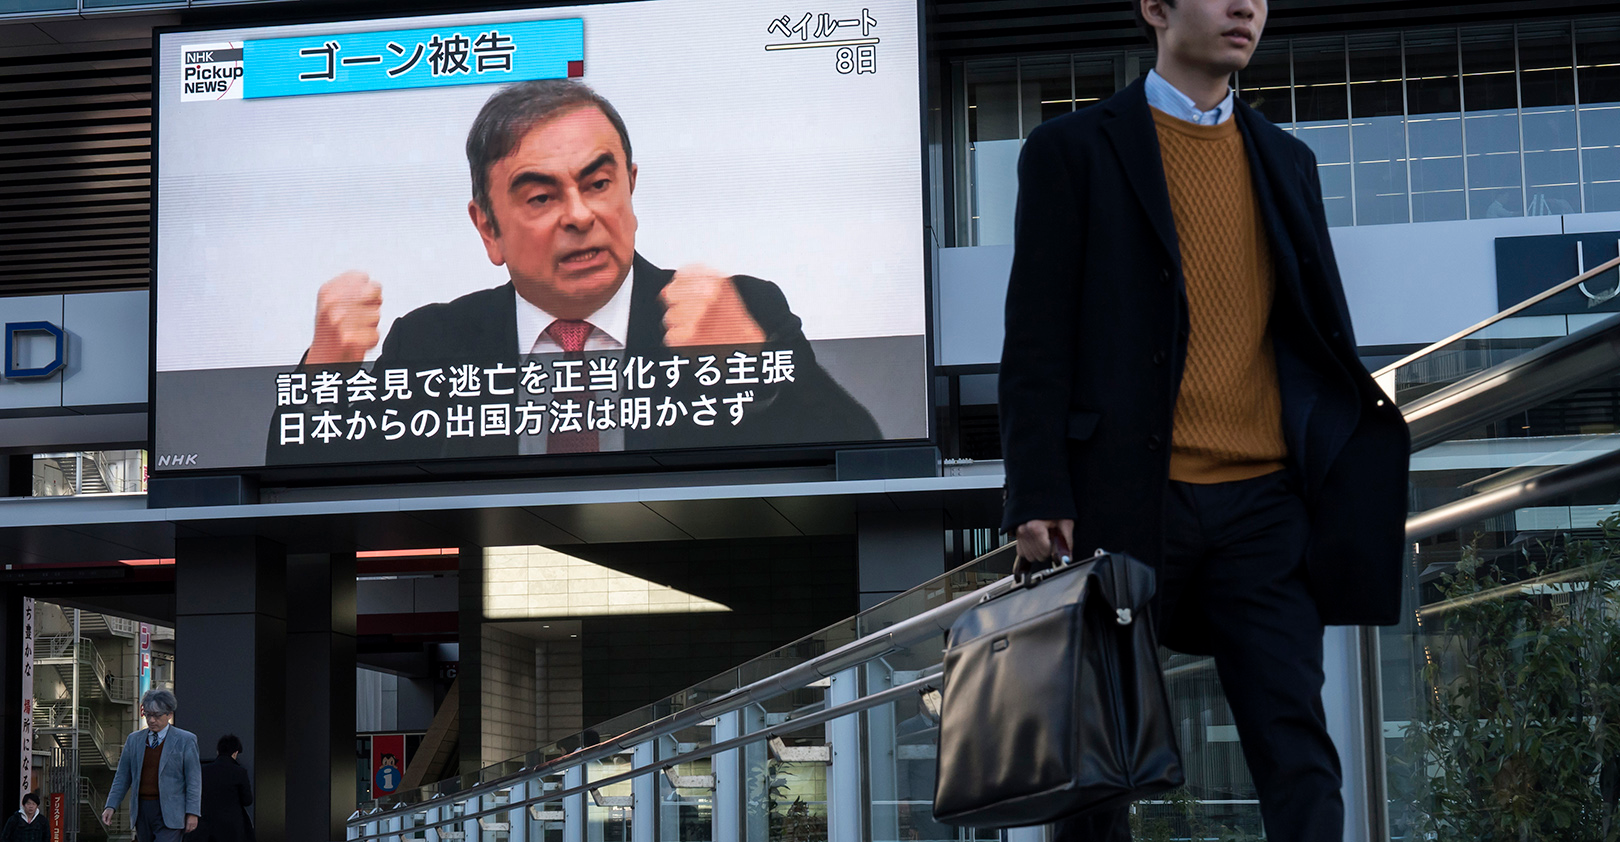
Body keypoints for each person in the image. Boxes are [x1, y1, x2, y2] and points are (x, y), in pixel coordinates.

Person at [996, 1, 1410, 840]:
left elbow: (1312, 331)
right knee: (1097, 764)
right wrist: (1037, 489)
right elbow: (1037, 334)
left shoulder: (1287, 161)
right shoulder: (1073, 151)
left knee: (1297, 748)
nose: (1245, 8)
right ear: (1155, 8)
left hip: (1264, 505)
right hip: (1122, 502)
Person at [268, 78, 878, 463]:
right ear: (488, 229)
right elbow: (293, 480)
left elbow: (864, 453)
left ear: (631, 189)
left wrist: (751, 368)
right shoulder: (432, 343)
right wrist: (326, 365)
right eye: (541, 198)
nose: (581, 215)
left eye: (599, 183)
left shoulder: (742, 310)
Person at [103, 688, 203, 842]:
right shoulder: (134, 740)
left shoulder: (185, 740)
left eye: (156, 715)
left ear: (169, 714)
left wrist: (192, 812)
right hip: (142, 811)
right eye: (148, 714)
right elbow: (122, 776)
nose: (151, 720)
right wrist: (111, 805)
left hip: (171, 812)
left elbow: (193, 780)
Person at [191, 734, 253, 842]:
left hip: (207, 825)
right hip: (232, 826)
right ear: (235, 753)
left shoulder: (203, 771)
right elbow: (247, 800)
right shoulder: (239, 772)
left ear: (217, 751)